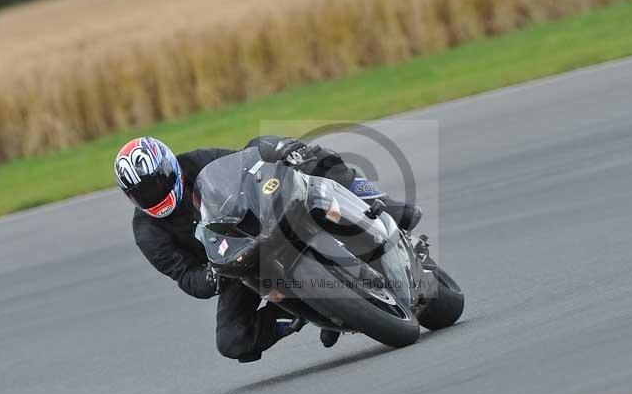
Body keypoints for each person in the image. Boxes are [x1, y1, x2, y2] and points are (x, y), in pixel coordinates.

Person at [115, 135, 420, 363]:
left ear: (169, 166)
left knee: (308, 157)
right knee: (232, 341)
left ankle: (383, 205)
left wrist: (279, 151)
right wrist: (212, 276)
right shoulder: (147, 232)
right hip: (233, 264)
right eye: (141, 192)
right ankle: (309, 315)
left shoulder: (198, 161)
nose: (153, 195)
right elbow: (185, 277)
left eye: (157, 183)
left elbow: (247, 166)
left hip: (264, 217)